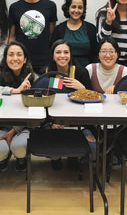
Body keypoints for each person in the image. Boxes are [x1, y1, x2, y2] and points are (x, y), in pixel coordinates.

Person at [0, 41, 36, 171]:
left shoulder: (33, 77)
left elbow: (34, 111)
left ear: (25, 59)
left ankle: (21, 158)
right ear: (5, 58)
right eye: (11, 55)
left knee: (19, 148)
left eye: (19, 55)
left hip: (23, 126)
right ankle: (4, 156)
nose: (15, 58)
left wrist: (13, 131)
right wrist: (15, 91)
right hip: (0, 125)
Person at [46, 39, 94, 170]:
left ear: (71, 55)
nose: (62, 56)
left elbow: (91, 102)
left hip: (77, 121)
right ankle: (55, 157)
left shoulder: (80, 72)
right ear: (53, 55)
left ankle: (74, 157)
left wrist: (83, 88)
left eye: (66, 52)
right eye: (58, 52)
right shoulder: (47, 73)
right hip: (54, 121)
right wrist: (52, 122)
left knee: (92, 144)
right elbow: (43, 101)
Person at [8, 0, 57, 74]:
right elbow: (12, 37)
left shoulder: (50, 6)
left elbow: (51, 35)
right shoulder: (14, 7)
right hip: (21, 62)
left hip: (44, 62)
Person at [51, 0, 98, 67]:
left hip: (87, 71)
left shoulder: (91, 29)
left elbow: (95, 53)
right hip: (63, 70)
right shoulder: (58, 29)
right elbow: (53, 53)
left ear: (83, 10)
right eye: (73, 7)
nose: (76, 10)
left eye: (80, 7)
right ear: (68, 8)